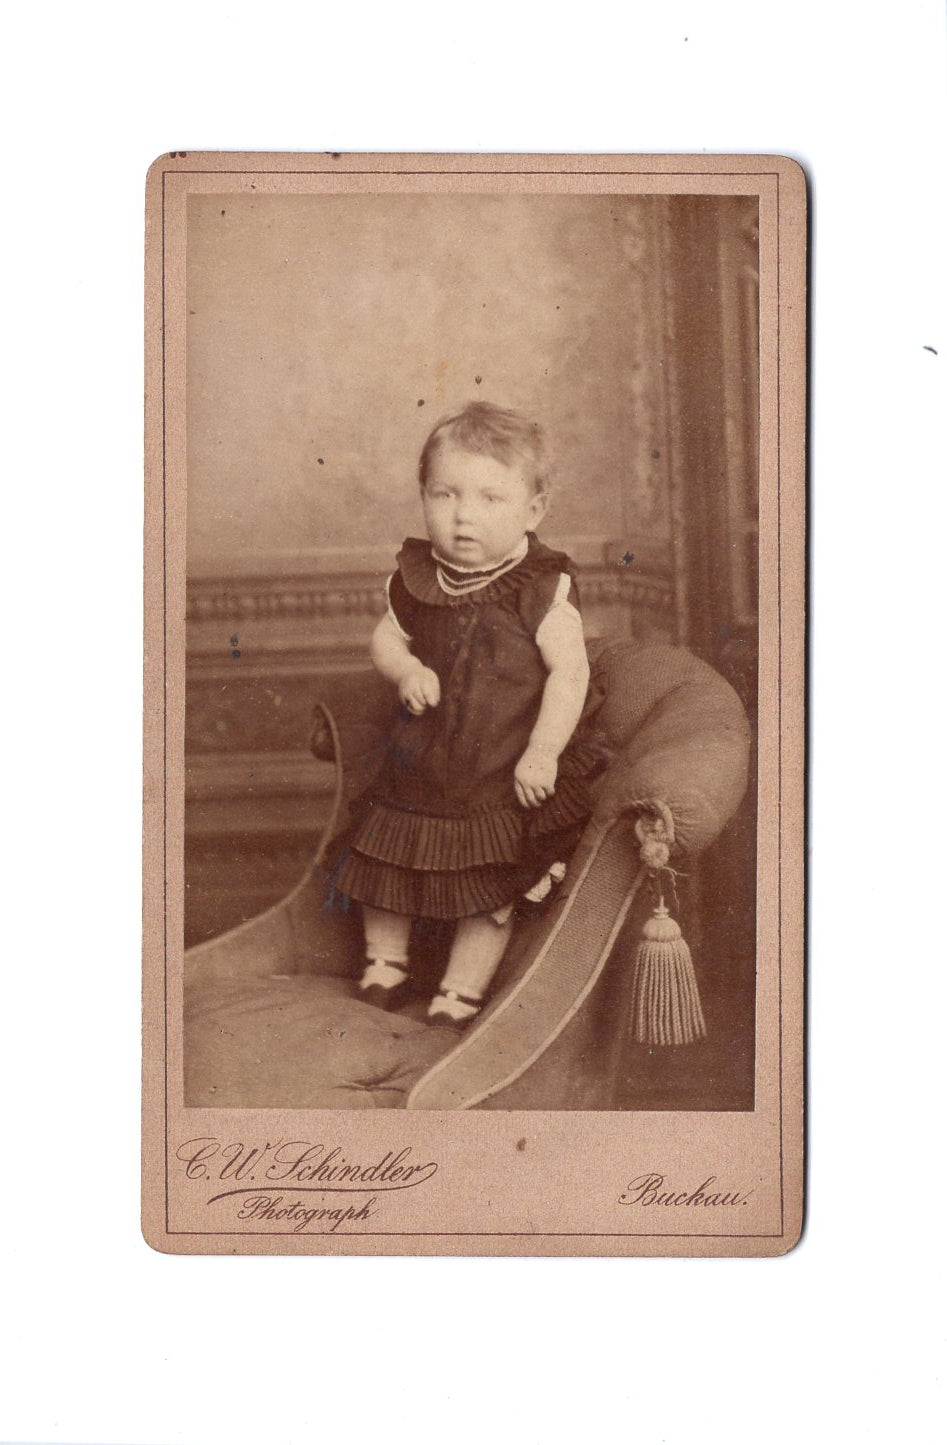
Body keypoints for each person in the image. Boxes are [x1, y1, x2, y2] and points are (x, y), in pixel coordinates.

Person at [330, 401, 603, 1028]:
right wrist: (407, 669)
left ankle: (459, 989)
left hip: (498, 772)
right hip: (418, 768)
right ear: (424, 496)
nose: (463, 516)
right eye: (445, 494)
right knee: (385, 861)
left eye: (489, 498)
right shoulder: (417, 578)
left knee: (490, 884)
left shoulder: (542, 587)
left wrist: (543, 752)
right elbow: (385, 640)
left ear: (533, 510)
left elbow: (571, 673)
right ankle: (386, 962)